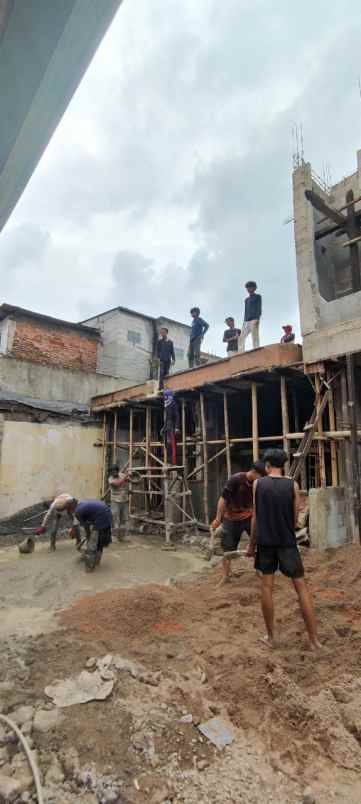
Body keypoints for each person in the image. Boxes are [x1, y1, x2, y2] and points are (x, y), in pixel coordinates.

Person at [247, 448, 320, 650]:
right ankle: (314, 640)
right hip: (287, 543)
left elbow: (256, 517)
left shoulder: (258, 485)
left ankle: (271, 638)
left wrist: (251, 545)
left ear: (267, 465)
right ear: (283, 465)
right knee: (301, 589)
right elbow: (295, 519)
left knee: (266, 588)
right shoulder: (293, 485)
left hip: (266, 543)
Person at [210, 462, 266, 584]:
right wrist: (218, 518)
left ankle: (259, 570)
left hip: (249, 517)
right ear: (255, 473)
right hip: (231, 518)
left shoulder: (258, 484)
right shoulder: (236, 479)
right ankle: (226, 576)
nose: (262, 479)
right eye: (261, 476)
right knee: (227, 548)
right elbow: (223, 499)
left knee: (259, 542)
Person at [70, 499, 112, 572]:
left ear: (71, 508)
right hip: (108, 514)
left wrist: (89, 534)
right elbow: (89, 521)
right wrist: (89, 532)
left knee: (91, 545)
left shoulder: (77, 512)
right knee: (100, 541)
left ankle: (89, 567)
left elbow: (85, 525)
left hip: (101, 517)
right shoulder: (82, 505)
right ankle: (96, 561)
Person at [108, 464, 130, 541]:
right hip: (115, 501)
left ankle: (122, 536)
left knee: (124, 519)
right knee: (115, 518)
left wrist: (130, 477)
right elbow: (118, 484)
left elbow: (129, 480)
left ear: (117, 471)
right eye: (112, 472)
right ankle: (116, 535)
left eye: (114, 471)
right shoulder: (110, 479)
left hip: (124, 500)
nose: (113, 473)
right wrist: (126, 476)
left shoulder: (122, 475)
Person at [239, 281, 262, 352]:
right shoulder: (246, 300)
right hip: (246, 320)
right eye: (247, 288)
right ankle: (240, 352)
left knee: (254, 335)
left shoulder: (258, 296)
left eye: (250, 287)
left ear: (254, 288)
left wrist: (257, 318)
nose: (248, 289)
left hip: (254, 319)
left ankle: (256, 349)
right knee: (241, 337)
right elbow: (245, 311)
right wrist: (244, 321)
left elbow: (259, 308)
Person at [161, 389, 180, 465]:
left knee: (172, 445)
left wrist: (177, 427)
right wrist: (163, 427)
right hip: (167, 427)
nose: (164, 397)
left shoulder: (173, 404)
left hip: (172, 427)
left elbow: (177, 416)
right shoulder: (166, 404)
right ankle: (169, 461)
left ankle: (173, 462)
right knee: (167, 445)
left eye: (165, 396)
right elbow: (166, 418)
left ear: (169, 396)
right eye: (164, 396)